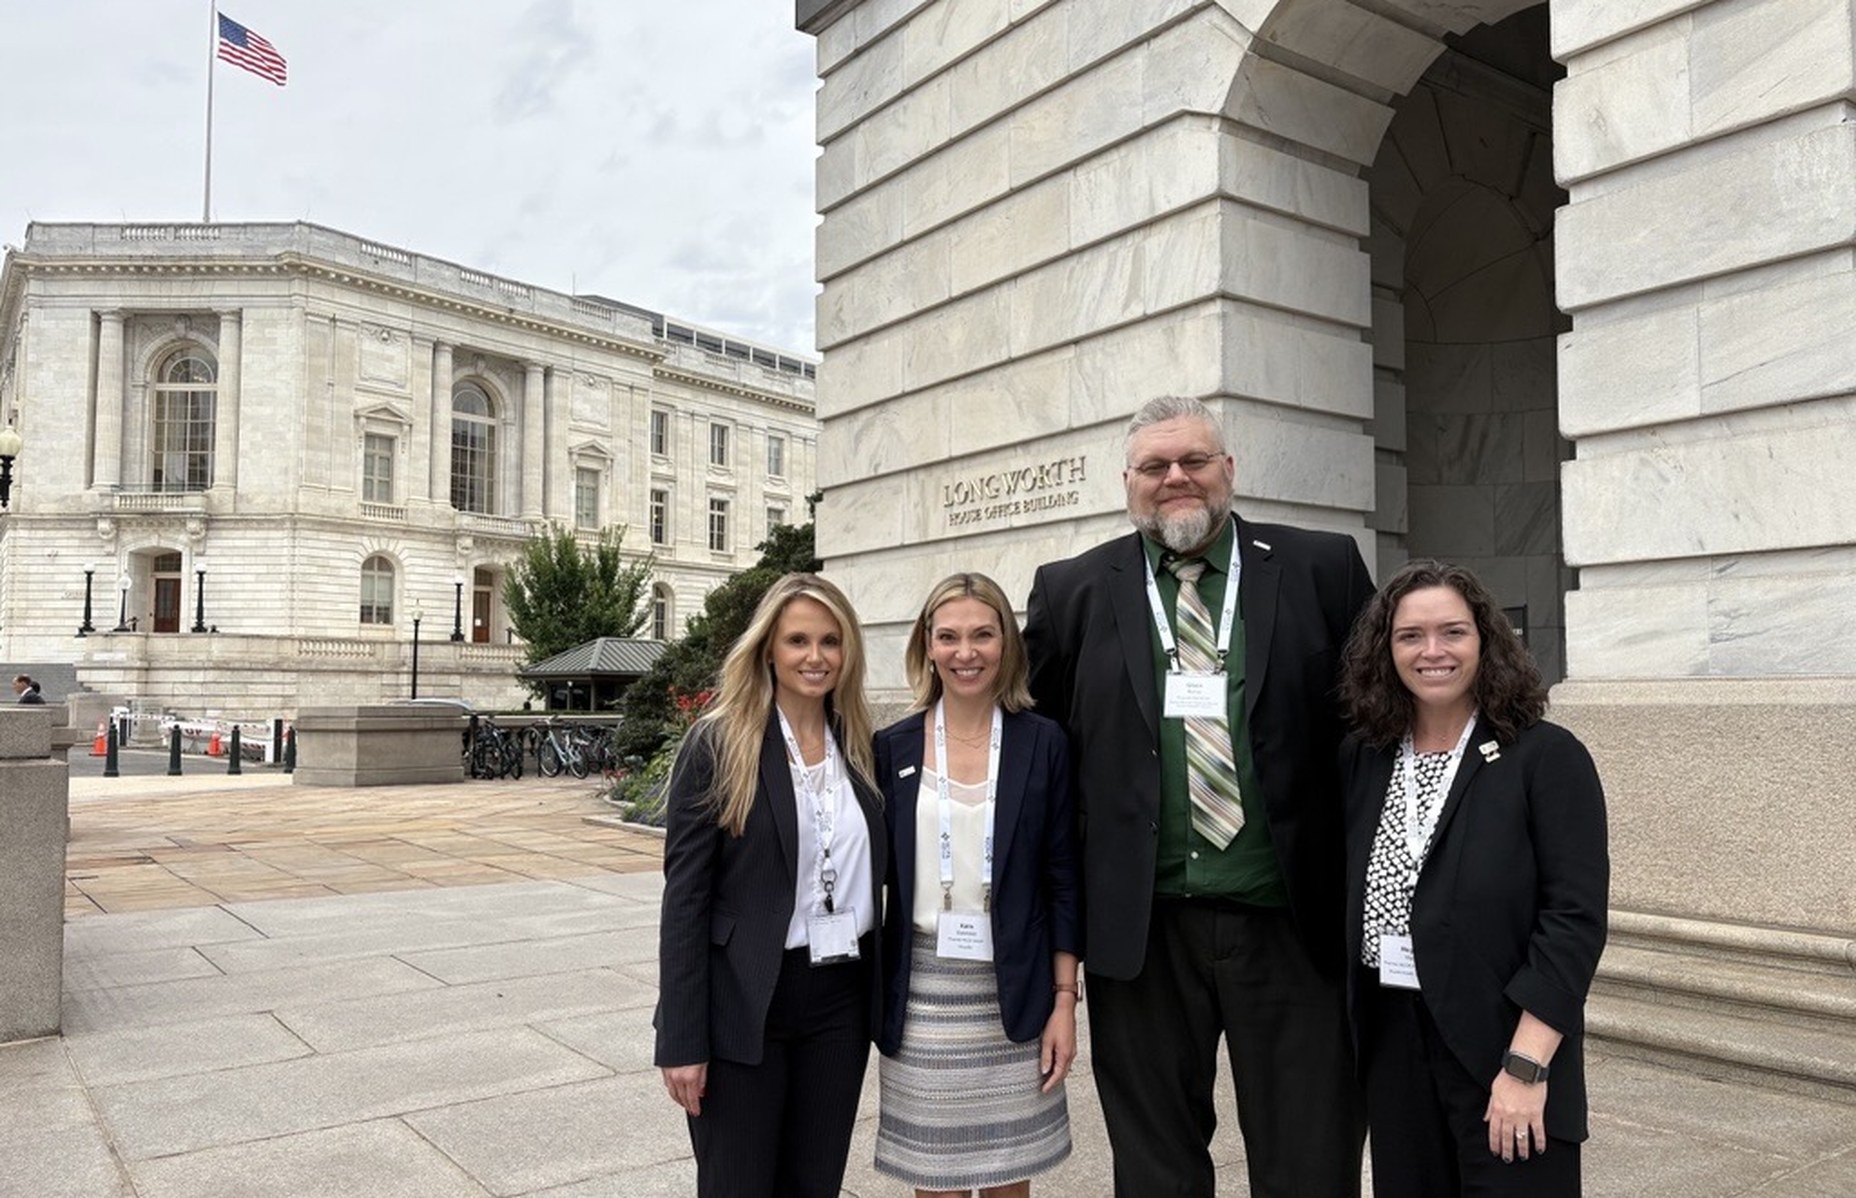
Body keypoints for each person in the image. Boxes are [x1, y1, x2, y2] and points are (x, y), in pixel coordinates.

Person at [1024, 395, 1374, 1197]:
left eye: (1194, 460)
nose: (1176, 477)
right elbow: (1039, 750)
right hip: (1142, 937)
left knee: (1310, 1160)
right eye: (1155, 465)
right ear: (1127, 481)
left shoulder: (1323, 568)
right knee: (1157, 1171)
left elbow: (1377, 724)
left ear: (1229, 469)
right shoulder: (1073, 590)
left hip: (1293, 927)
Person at [1338, 559, 1608, 1197]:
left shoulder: (1545, 756)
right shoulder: (1365, 758)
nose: (1432, 651)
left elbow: (1573, 922)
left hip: (1502, 1042)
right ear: (1386, 650)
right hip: (1394, 1042)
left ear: (1486, 641)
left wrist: (1526, 1067)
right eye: (1410, 636)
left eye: (1453, 632)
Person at [654, 573, 885, 1198]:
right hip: (744, 998)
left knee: (815, 1184)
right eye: (798, 641)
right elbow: (686, 900)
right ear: (768, 650)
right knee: (738, 1184)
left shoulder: (861, 745)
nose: (816, 657)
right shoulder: (720, 742)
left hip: (839, 1000)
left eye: (831, 641)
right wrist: (681, 1038)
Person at [873, 572, 1081, 1198]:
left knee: (1006, 1180)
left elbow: (1063, 878)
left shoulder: (1043, 742)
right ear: (927, 646)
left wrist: (1065, 1002)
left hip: (1014, 992)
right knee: (933, 1177)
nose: (966, 653)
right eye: (949, 637)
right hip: (922, 998)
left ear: (1006, 644)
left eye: (983, 635)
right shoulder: (891, 747)